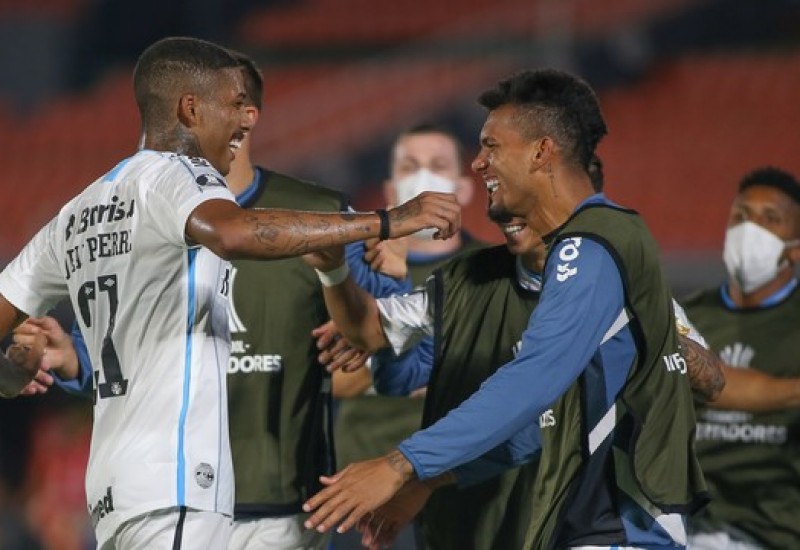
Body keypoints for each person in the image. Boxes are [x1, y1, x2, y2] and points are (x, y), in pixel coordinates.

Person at [0, 36, 459, 550]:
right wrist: (386, 221)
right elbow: (233, 233)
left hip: (116, 492)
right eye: (232, 103)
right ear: (189, 109)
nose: (245, 119)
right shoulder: (180, 175)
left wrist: (11, 370)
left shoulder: (78, 212)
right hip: (175, 487)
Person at [302, 68, 708, 549]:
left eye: (491, 146)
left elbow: (533, 378)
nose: (479, 163)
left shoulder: (598, 243)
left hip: (620, 531)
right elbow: (543, 427)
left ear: (541, 152)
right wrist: (427, 481)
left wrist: (402, 463)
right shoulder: (529, 265)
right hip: (573, 531)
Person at [330, 123, 483, 550]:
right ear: (390, 189)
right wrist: (435, 365)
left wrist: (375, 342)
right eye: (410, 166)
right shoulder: (352, 273)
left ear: (464, 188)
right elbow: (330, 377)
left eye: (437, 166)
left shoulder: (490, 271)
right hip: (361, 484)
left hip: (460, 485)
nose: (424, 178)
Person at [683, 166, 800, 549]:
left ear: (796, 246)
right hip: (688, 525)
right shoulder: (688, 317)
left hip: (774, 531)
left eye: (771, 219)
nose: (750, 229)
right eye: (741, 216)